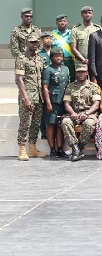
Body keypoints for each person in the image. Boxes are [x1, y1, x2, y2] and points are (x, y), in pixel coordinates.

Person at [15, 33, 46, 161]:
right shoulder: (21, 59)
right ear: (27, 43)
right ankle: (22, 149)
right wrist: (25, 98)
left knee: (35, 123)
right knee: (25, 123)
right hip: (27, 96)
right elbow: (19, 80)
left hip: (39, 97)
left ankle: (32, 148)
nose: (34, 44)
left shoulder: (40, 59)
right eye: (31, 42)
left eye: (36, 42)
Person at [61, 65, 101, 161]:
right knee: (65, 121)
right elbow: (66, 104)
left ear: (87, 73)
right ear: (76, 73)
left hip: (89, 114)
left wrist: (87, 113)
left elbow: (96, 104)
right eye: (79, 72)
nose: (81, 74)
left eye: (83, 72)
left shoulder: (93, 87)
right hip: (74, 114)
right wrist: (72, 113)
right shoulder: (70, 87)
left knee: (89, 123)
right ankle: (75, 147)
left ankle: (79, 148)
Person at [41, 47, 70, 158]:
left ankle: (59, 148)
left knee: (60, 125)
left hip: (63, 101)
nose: (59, 58)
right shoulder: (48, 70)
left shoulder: (65, 69)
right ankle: (52, 149)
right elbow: (45, 87)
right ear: (52, 57)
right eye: (56, 56)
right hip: (53, 101)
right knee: (51, 124)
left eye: (61, 56)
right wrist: (48, 103)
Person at [52, 14, 75, 81]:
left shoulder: (72, 33)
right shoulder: (52, 34)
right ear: (56, 23)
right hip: (57, 62)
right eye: (60, 21)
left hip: (70, 61)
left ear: (67, 22)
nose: (62, 23)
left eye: (64, 21)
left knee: (72, 80)